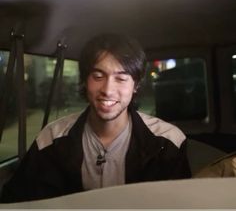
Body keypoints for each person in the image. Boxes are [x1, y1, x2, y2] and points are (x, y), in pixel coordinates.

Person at [0, 33, 191, 203]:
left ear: (136, 85)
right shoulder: (52, 140)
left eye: (121, 79)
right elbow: (17, 202)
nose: (107, 90)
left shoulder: (167, 142)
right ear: (85, 80)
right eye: (98, 76)